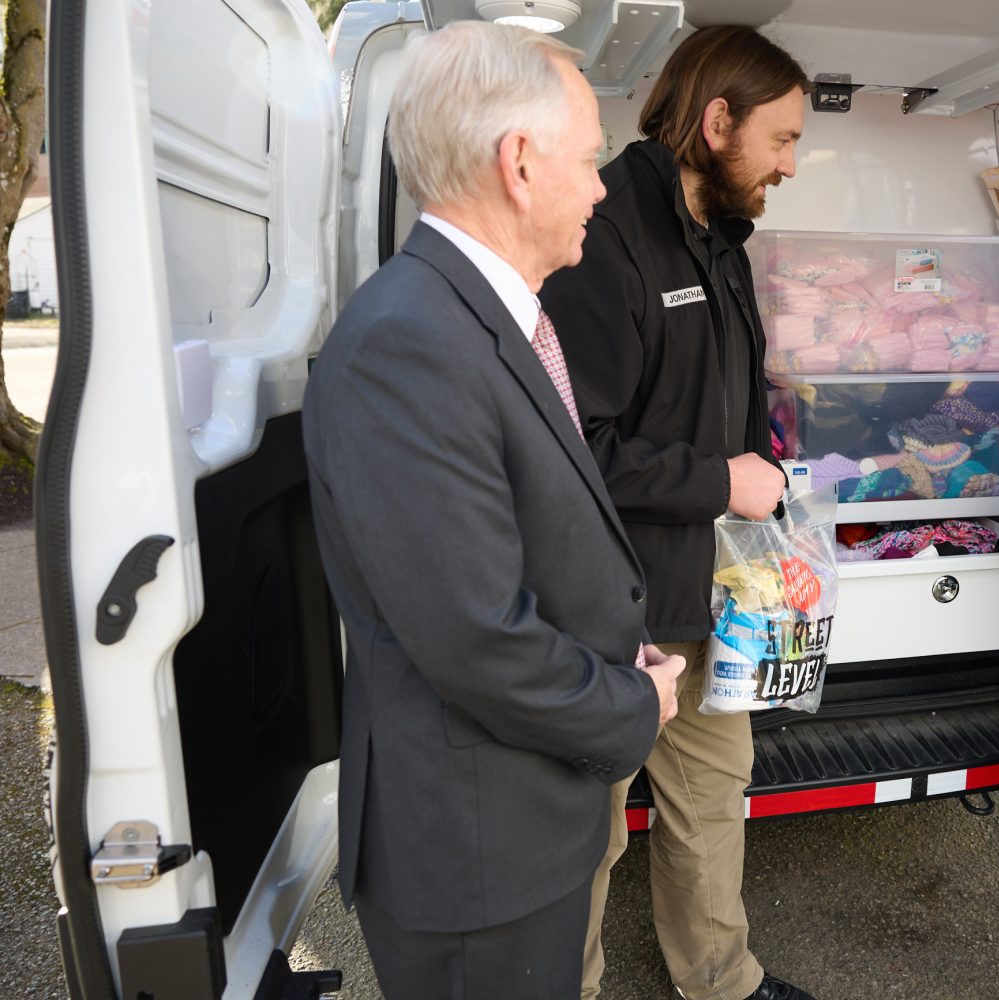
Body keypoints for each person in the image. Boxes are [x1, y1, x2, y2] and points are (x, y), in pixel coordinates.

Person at [301, 23, 685, 1000]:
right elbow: (476, 636)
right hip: (474, 857)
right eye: (590, 158)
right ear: (519, 162)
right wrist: (633, 705)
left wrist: (618, 647)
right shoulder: (411, 344)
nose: (602, 188)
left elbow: (524, 539)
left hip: (515, 826)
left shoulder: (477, 316)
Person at [538, 24, 818, 1000]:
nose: (791, 162)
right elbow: (581, 449)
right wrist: (724, 483)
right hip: (611, 611)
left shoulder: (725, 242)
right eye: (780, 138)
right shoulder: (603, 232)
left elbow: (730, 414)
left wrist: (768, 496)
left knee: (713, 800)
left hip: (713, 596)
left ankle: (721, 978)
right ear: (715, 121)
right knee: (589, 832)